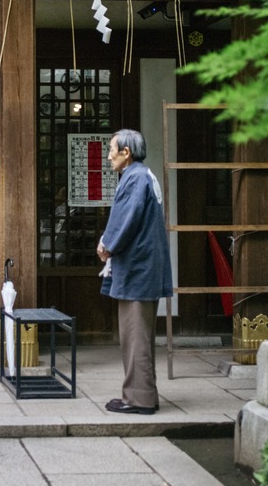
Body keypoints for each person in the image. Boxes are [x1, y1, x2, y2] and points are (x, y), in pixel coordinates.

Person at [96, 128, 174, 414]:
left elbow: (125, 219)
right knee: (139, 335)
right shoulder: (143, 175)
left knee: (135, 336)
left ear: (126, 153)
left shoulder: (135, 178)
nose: (108, 156)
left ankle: (139, 399)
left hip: (138, 268)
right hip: (144, 266)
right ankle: (140, 394)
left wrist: (107, 245)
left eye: (111, 150)